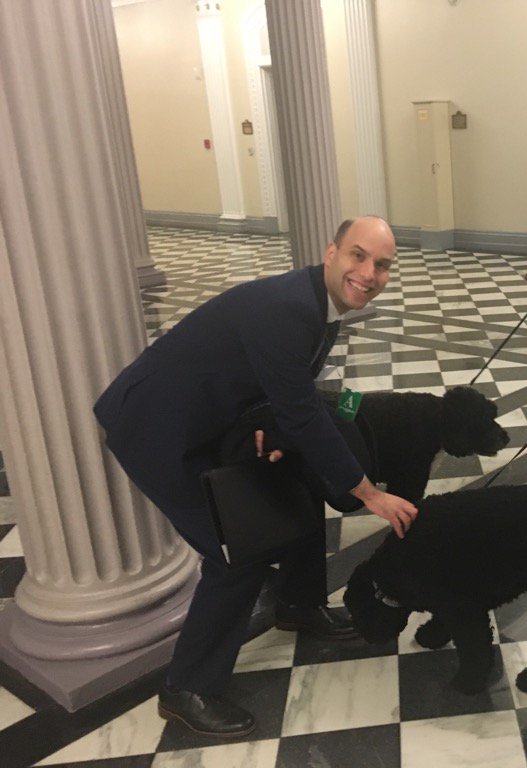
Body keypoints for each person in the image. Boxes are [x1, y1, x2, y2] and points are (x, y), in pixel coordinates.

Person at [94, 216, 417, 736]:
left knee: (298, 478)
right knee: (235, 552)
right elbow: (302, 413)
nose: (369, 273)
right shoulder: (290, 308)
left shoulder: (321, 305)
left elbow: (284, 391)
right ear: (330, 252)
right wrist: (366, 492)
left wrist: (266, 423)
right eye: (359, 255)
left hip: (209, 417)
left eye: (381, 265)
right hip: (155, 428)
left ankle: (299, 603)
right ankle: (186, 687)